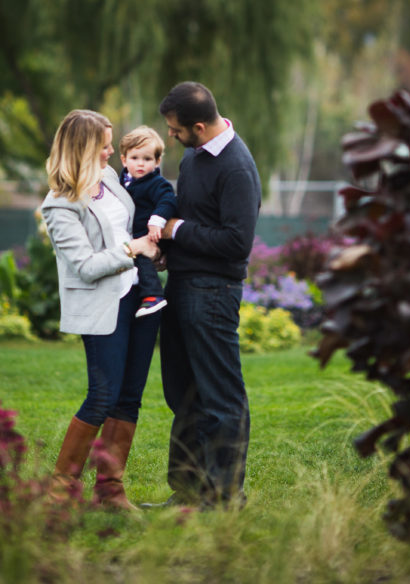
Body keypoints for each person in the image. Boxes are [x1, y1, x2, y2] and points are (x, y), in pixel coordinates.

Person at [41, 109, 162, 509]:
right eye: (105, 145)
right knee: (102, 395)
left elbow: (129, 226)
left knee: (129, 397)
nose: (113, 151)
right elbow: (87, 267)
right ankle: (60, 494)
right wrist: (134, 249)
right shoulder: (59, 205)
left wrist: (151, 251)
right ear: (84, 148)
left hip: (138, 298)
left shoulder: (109, 180)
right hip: (101, 306)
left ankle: (110, 491)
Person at [154, 81, 261, 509]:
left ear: (199, 126)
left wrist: (176, 230)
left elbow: (237, 242)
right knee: (183, 394)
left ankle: (223, 495)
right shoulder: (195, 156)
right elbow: (193, 215)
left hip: (214, 293)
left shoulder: (236, 167)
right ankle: (187, 491)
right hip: (181, 285)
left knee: (219, 396)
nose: (170, 136)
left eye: (175, 129)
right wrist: (168, 246)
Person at [118, 125, 179, 318]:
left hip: (151, 233)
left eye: (147, 159)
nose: (140, 164)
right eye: (134, 158)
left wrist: (157, 220)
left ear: (157, 161)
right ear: (124, 160)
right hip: (134, 233)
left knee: (143, 258)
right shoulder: (123, 182)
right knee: (135, 256)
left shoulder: (156, 183)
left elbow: (168, 200)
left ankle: (153, 295)